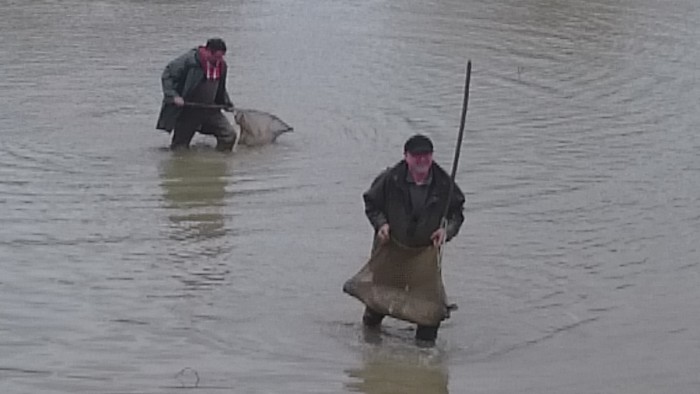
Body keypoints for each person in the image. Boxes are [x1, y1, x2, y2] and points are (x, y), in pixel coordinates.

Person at [361, 134, 465, 343]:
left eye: (426, 155)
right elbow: (371, 204)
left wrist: (447, 232)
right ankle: (369, 345)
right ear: (406, 157)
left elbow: (457, 214)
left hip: (424, 256)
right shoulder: (389, 179)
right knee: (377, 305)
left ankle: (424, 362)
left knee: (428, 314)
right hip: (391, 248)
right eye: (416, 156)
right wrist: (381, 224)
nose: (421, 160)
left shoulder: (445, 183)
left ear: (432, 156)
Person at [156, 38, 237, 151]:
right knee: (180, 148)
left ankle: (217, 164)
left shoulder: (222, 66)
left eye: (222, 57)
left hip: (210, 109)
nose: (220, 60)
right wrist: (174, 96)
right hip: (188, 111)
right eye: (217, 57)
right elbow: (167, 75)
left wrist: (227, 103)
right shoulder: (189, 61)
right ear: (208, 51)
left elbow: (221, 88)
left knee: (229, 135)